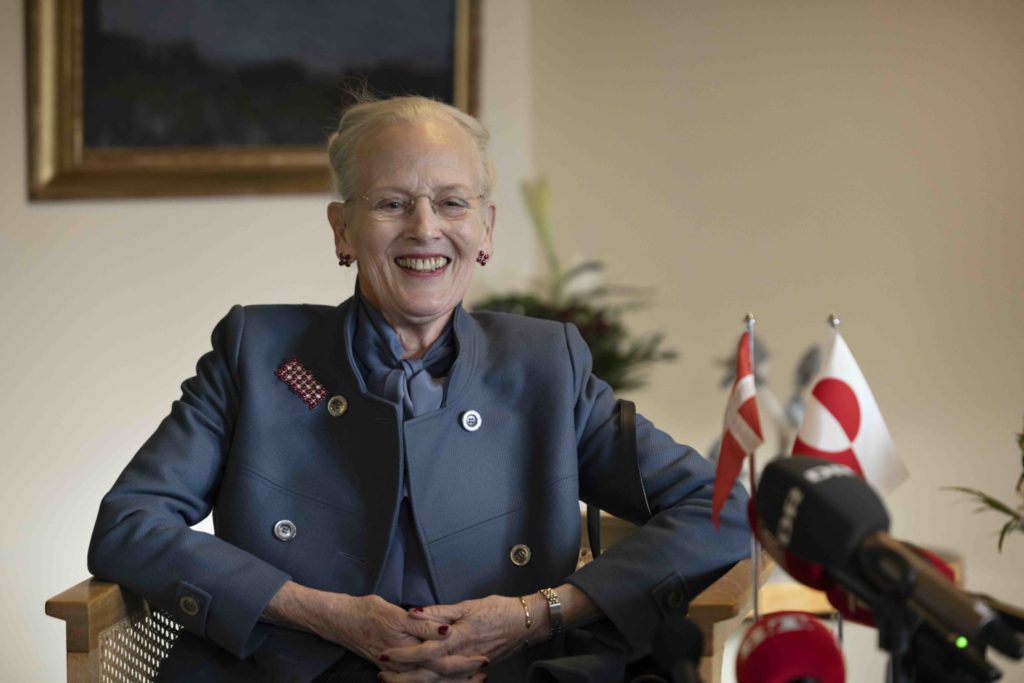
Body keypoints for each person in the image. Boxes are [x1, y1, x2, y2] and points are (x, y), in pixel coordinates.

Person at [88, 95, 750, 682]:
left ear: (485, 230)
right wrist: (325, 613)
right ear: (343, 230)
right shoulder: (256, 352)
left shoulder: (547, 365)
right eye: (391, 203)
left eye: (453, 202)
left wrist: (537, 614)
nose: (425, 228)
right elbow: (129, 524)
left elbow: (719, 510)